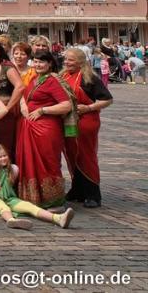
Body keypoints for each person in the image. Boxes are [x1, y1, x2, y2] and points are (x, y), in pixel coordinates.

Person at [15, 50, 72, 208]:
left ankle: (52, 199)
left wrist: (42, 110)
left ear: (50, 64)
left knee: (48, 162)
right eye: (35, 61)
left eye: (41, 62)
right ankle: (34, 198)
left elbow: (66, 105)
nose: (37, 65)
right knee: (30, 162)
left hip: (46, 129)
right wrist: (23, 105)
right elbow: (24, 95)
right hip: (30, 128)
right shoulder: (35, 79)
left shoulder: (53, 81)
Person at [0, 144, 74, 229]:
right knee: (3, 208)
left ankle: (58, 218)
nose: (3, 158)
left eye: (5, 155)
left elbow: (9, 187)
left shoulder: (13, 169)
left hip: (9, 198)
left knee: (30, 206)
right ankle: (11, 220)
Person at [60, 47, 112, 208]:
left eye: (71, 60)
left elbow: (107, 99)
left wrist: (89, 107)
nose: (67, 62)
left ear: (80, 62)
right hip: (68, 121)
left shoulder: (90, 78)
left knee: (86, 156)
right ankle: (77, 189)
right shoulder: (62, 76)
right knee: (71, 154)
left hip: (86, 121)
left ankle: (93, 194)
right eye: (66, 59)